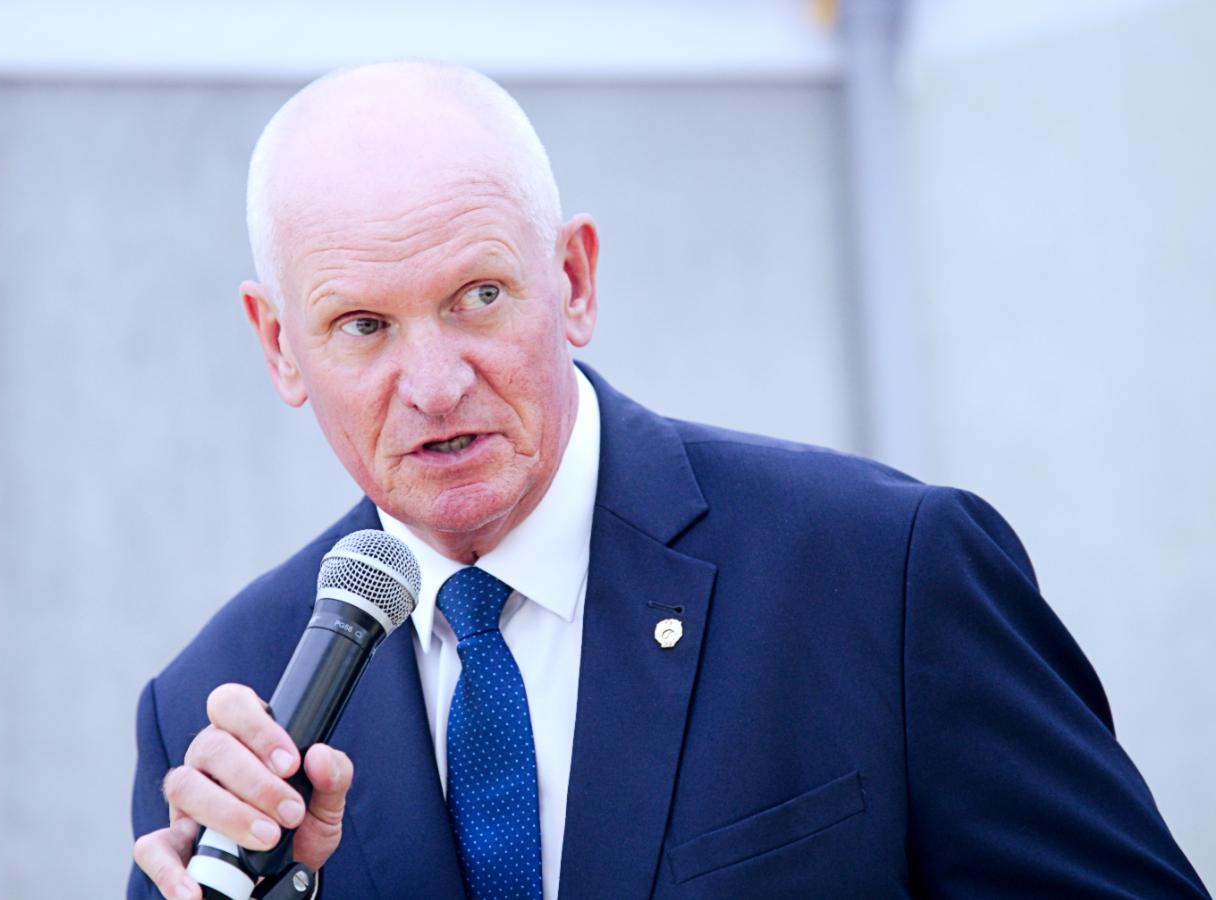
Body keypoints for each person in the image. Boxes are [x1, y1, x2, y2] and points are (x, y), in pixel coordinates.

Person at [129, 62, 1208, 899]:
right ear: (280, 346)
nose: (435, 384)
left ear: (573, 280)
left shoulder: (882, 576)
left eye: (480, 296)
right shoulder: (213, 713)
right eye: (363, 326)